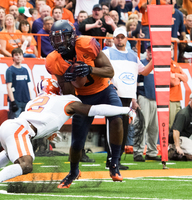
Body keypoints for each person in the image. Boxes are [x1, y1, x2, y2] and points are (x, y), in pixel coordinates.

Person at [0, 78, 134, 193]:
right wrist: (124, 110)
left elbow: (44, 121)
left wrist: (49, 131)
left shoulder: (35, 101)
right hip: (20, 129)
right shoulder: (65, 100)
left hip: (10, 127)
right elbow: (95, 110)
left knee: (9, 154)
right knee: (26, 164)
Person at [46, 20, 125, 188]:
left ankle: (114, 163)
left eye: (62, 38)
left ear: (72, 36)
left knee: (117, 117)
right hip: (82, 97)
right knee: (76, 143)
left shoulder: (87, 44)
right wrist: (68, 78)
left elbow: (110, 71)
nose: (59, 43)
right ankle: (74, 171)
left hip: (104, 89)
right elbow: (68, 94)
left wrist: (91, 69)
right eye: (55, 39)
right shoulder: (54, 60)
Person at [102, 27, 153, 170]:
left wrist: (154, 61)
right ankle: (111, 160)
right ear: (113, 38)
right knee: (113, 127)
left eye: (122, 37)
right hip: (112, 94)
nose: (119, 39)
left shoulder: (132, 55)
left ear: (126, 39)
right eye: (117, 37)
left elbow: (144, 71)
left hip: (127, 97)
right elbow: (98, 68)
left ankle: (116, 159)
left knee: (123, 129)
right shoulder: (107, 52)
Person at [132, 44, 160, 162]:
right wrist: (135, 99)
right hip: (144, 96)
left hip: (156, 98)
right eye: (149, 50)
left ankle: (152, 152)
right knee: (142, 125)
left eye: (152, 50)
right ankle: (138, 152)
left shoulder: (158, 65)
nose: (150, 52)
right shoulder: (141, 63)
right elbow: (134, 82)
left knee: (155, 128)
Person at [6, 48, 31, 119]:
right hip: (16, 101)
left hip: (25, 100)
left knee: (25, 122)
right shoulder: (10, 70)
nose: (18, 56)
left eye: (20, 55)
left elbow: (27, 86)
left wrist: (30, 98)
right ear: (12, 57)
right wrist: (13, 101)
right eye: (16, 55)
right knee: (14, 123)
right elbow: (9, 87)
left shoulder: (25, 70)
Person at [170, 44, 188, 129]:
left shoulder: (175, 64)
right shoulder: (164, 65)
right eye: (169, 49)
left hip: (178, 99)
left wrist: (175, 75)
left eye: (172, 49)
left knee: (177, 125)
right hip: (170, 99)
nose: (171, 52)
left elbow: (186, 78)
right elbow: (173, 82)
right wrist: (179, 77)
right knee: (170, 125)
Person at [169, 93, 192, 160]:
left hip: (186, 139)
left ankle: (181, 156)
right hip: (178, 139)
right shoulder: (184, 114)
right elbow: (176, 131)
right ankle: (174, 150)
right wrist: (177, 147)